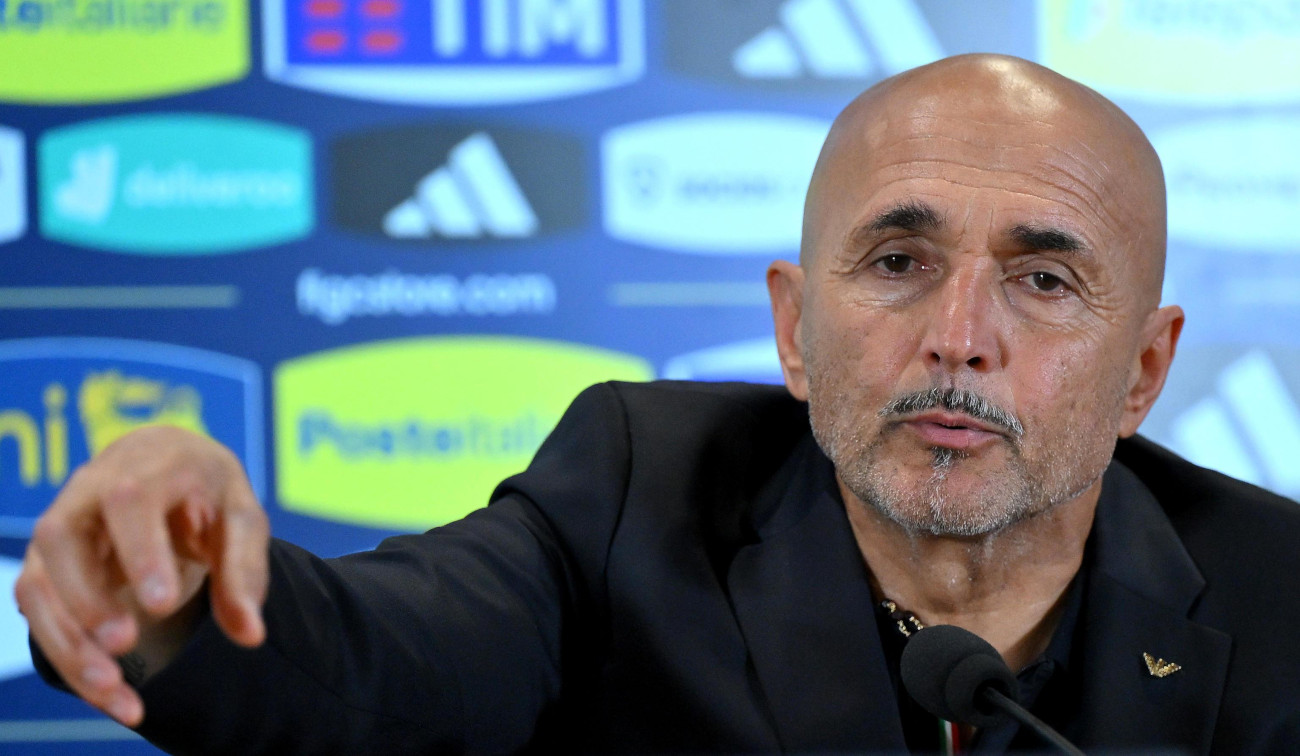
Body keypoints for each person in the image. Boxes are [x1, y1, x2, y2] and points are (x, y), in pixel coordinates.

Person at [15, 54, 1300, 754]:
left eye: (1042, 278)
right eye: (898, 264)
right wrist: (183, 593)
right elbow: (384, 661)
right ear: (795, 329)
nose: (959, 341)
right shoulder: (636, 492)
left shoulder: (1279, 597)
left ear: (1141, 371)